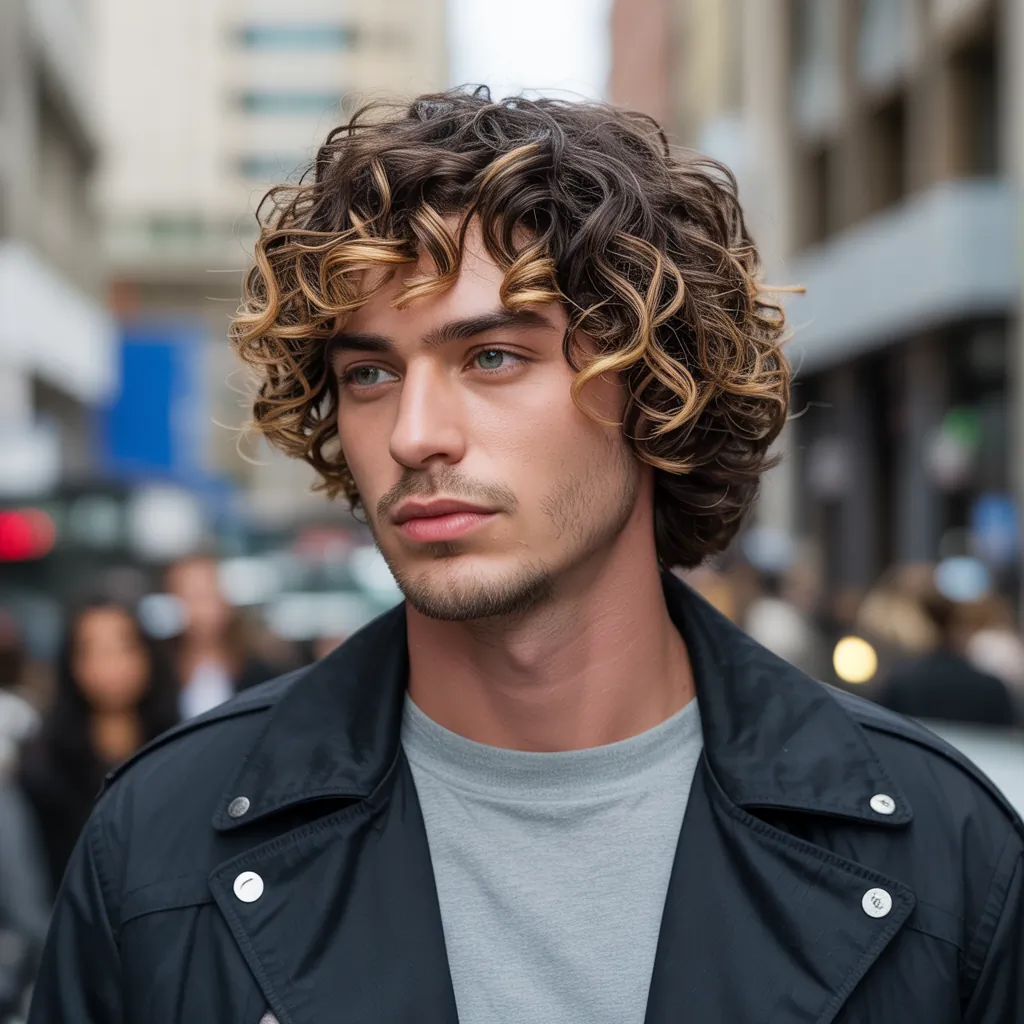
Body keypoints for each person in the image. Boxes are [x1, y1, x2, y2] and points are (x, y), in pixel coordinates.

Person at [30, 90, 1023, 1023]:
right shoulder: (157, 846)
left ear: (653, 387)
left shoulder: (945, 856)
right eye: (370, 373)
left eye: (493, 357)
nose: (415, 433)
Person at [18, 597, 178, 900]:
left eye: (123, 647)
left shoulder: (180, 747)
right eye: (92, 651)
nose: (110, 666)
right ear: (71, 662)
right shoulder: (44, 765)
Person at [164, 554, 275, 718]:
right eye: (187, 597)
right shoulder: (157, 665)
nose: (199, 610)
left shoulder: (259, 666)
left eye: (205, 596)